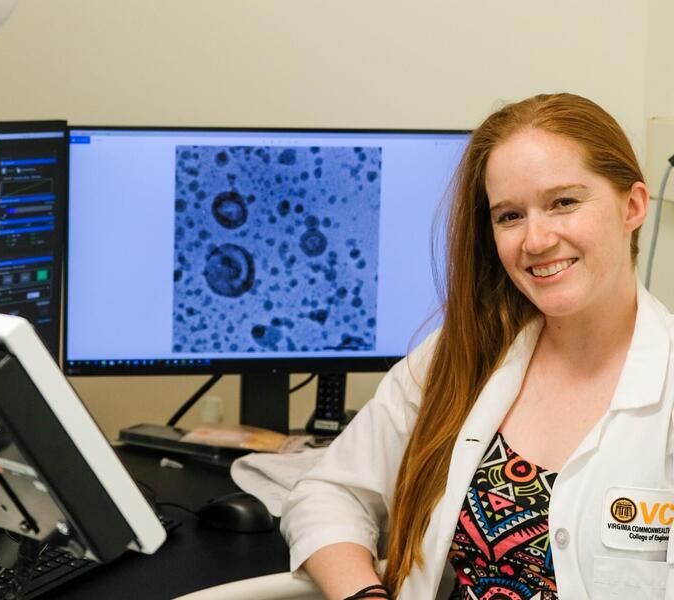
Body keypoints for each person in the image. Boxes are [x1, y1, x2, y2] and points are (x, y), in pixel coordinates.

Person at [281, 93, 674, 600]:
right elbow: (327, 493)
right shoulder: (464, 354)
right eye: (509, 216)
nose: (535, 240)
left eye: (564, 202)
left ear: (634, 206)